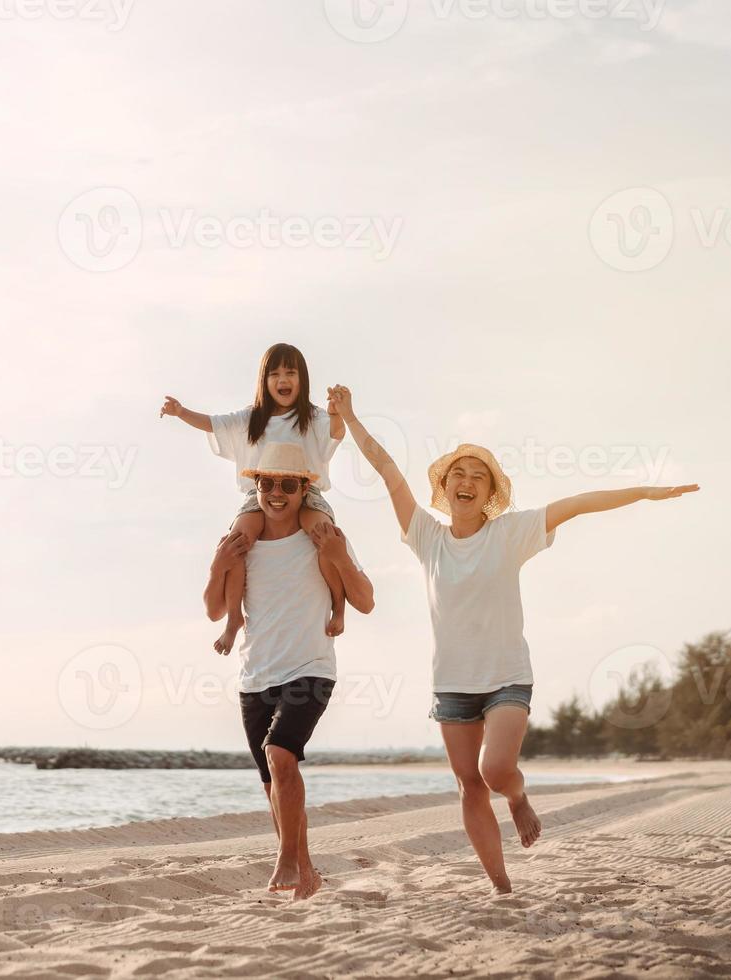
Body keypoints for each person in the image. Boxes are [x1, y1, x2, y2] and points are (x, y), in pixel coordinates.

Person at [328, 384, 699, 894]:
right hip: (452, 685)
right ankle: (501, 884)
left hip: (506, 677)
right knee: (468, 786)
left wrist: (644, 492)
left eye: (478, 476)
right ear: (445, 486)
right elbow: (387, 469)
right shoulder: (426, 536)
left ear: (489, 493)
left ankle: (519, 795)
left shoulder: (510, 534)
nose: (467, 481)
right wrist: (349, 417)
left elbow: (578, 503)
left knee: (496, 769)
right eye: (458, 473)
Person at [203, 442, 374, 901]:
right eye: (268, 483)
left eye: (288, 485)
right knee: (271, 781)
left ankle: (286, 860)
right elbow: (215, 608)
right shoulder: (244, 542)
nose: (277, 493)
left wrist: (338, 557)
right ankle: (308, 873)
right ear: (256, 485)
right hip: (255, 674)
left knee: (281, 755)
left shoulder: (321, 534)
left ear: (305, 489)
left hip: (310, 667)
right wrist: (218, 564)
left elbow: (367, 601)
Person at [163, 343, 353, 653]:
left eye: (291, 373)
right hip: (260, 491)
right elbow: (214, 423)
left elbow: (334, 434)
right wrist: (181, 412)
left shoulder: (314, 416)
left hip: (305, 491)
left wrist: (337, 413)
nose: (283, 380)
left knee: (324, 536)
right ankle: (234, 618)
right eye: (275, 373)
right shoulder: (252, 417)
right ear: (264, 381)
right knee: (238, 541)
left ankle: (339, 608)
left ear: (302, 380)